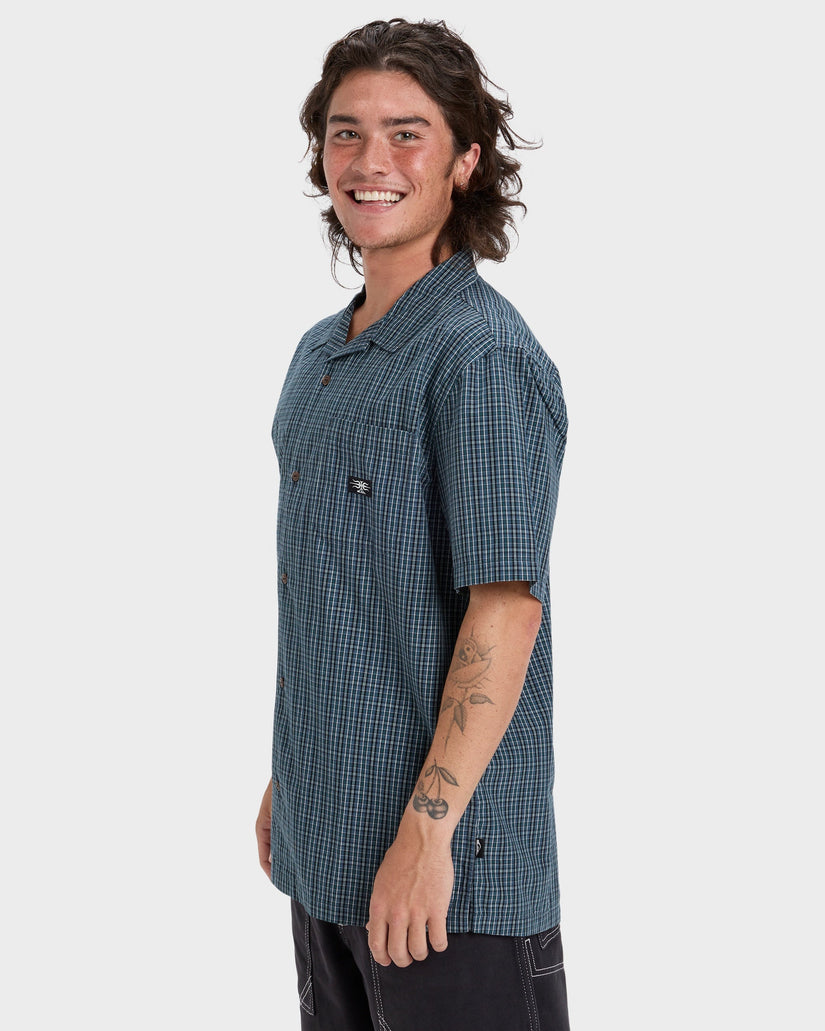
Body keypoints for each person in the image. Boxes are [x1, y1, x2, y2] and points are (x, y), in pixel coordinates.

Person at [255, 18, 571, 1030]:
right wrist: (295, 774)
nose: (369, 161)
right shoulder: (322, 352)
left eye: (407, 133)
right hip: (327, 850)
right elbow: (341, 589)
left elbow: (505, 610)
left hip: (449, 880)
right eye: (345, 133)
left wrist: (428, 833)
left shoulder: (480, 355)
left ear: (465, 160)